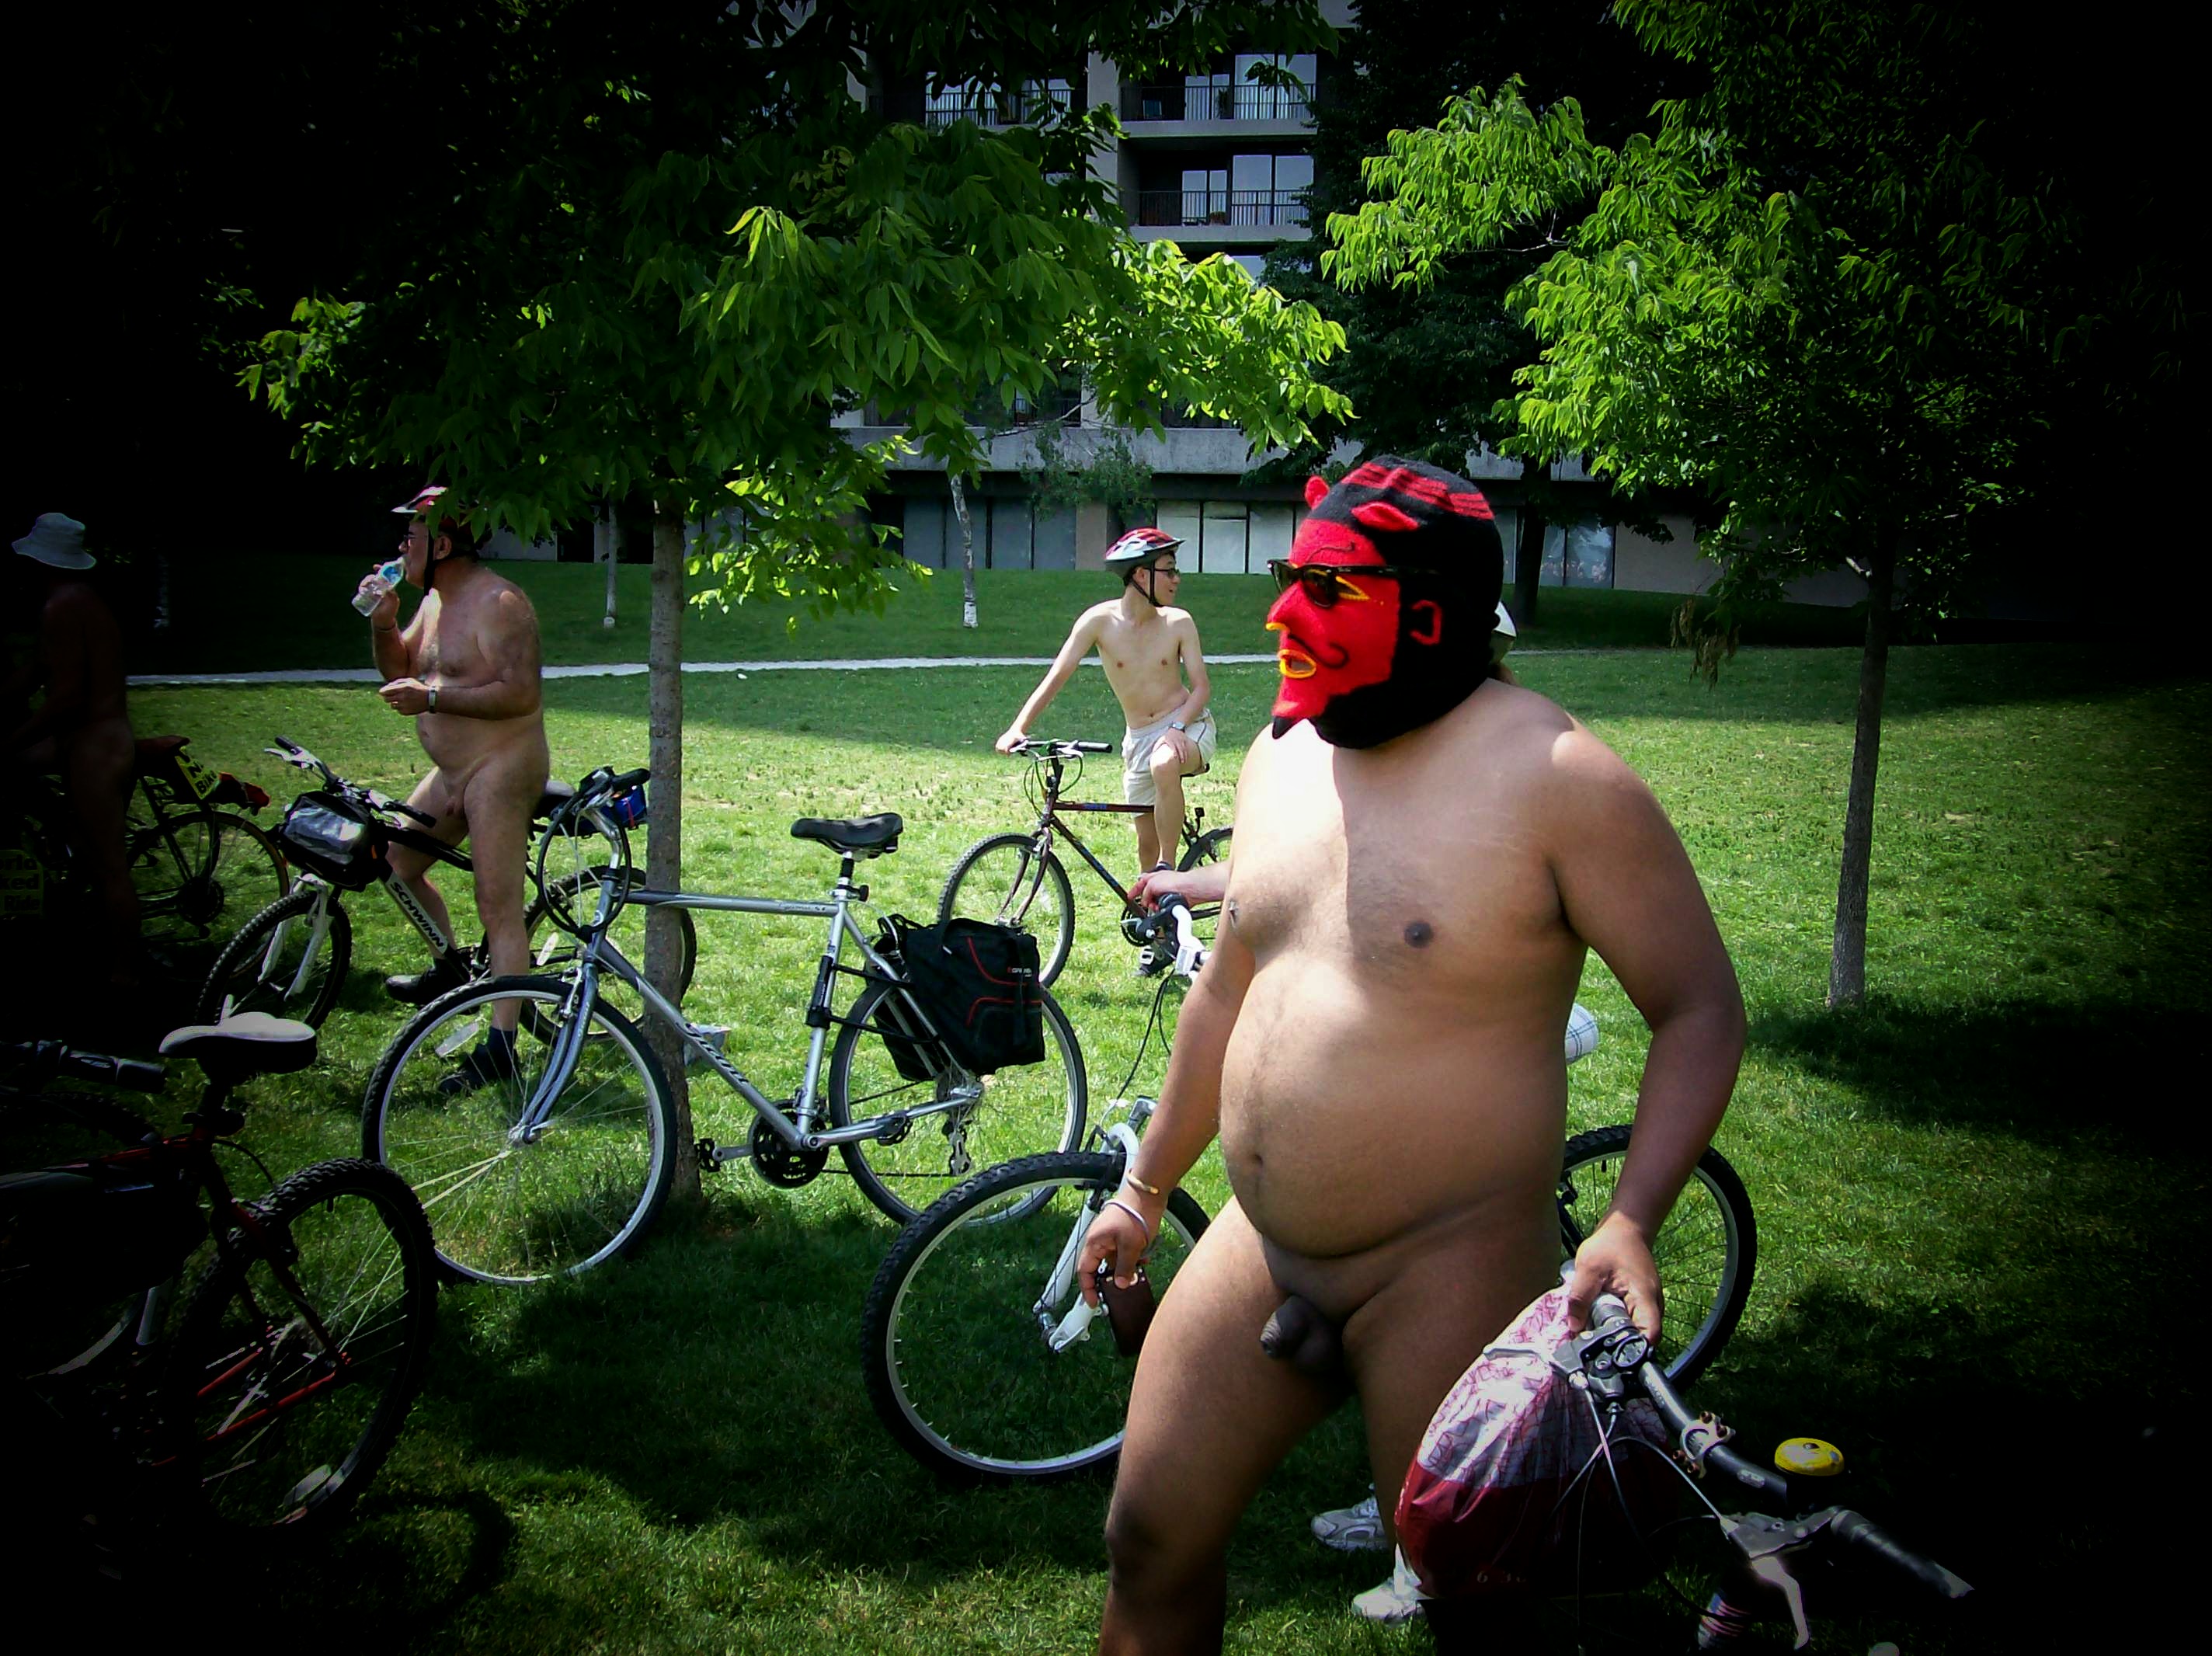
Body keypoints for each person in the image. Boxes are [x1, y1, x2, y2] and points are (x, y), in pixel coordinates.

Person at [1078, 457, 1745, 1649]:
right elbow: (1226, 988)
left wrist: (1632, 1218)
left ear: (1431, 614)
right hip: (1261, 1244)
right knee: (1146, 1539)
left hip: (1449, 1265)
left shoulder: (1560, 778)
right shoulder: (1285, 753)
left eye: (1329, 589)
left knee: (1474, 1614)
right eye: (1292, 580)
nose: (1284, 616)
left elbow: (1699, 1007)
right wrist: (1145, 1187)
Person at [357, 486, 548, 1083]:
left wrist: (434, 699)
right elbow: (400, 667)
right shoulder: (435, 603)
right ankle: (449, 968)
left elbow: (522, 694)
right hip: (452, 771)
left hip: (503, 767)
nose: (401, 549)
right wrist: (384, 624)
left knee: (497, 904)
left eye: (410, 538)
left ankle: (501, 1046)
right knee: (395, 862)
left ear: (441, 545)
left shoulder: (500, 603)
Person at [996, 527, 1215, 878]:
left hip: (1186, 724)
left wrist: (1177, 728)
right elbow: (1056, 677)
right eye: (1169, 570)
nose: (1177, 579)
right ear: (1141, 574)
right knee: (1145, 846)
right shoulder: (1098, 621)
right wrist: (1018, 728)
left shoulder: (1179, 622)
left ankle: (1170, 874)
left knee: (1163, 764)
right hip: (1139, 737)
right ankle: (1152, 907)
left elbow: (1201, 688)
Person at [5, 513, 140, 990]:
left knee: (109, 865)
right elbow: (36, 671)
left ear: (42, 561)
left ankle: (125, 975)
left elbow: (66, 698)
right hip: (87, 740)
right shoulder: (78, 602)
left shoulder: (62, 607)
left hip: (95, 745)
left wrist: (12, 740)